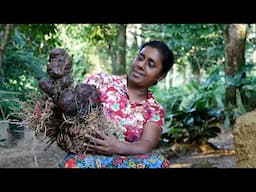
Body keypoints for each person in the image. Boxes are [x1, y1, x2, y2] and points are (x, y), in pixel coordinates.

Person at [59, 40, 174, 168]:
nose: (141, 65)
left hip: (126, 163)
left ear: (161, 76)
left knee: (159, 162)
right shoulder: (101, 81)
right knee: (75, 163)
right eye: (140, 58)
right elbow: (73, 105)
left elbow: (146, 144)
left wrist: (118, 146)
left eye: (151, 64)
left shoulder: (154, 110)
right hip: (88, 158)